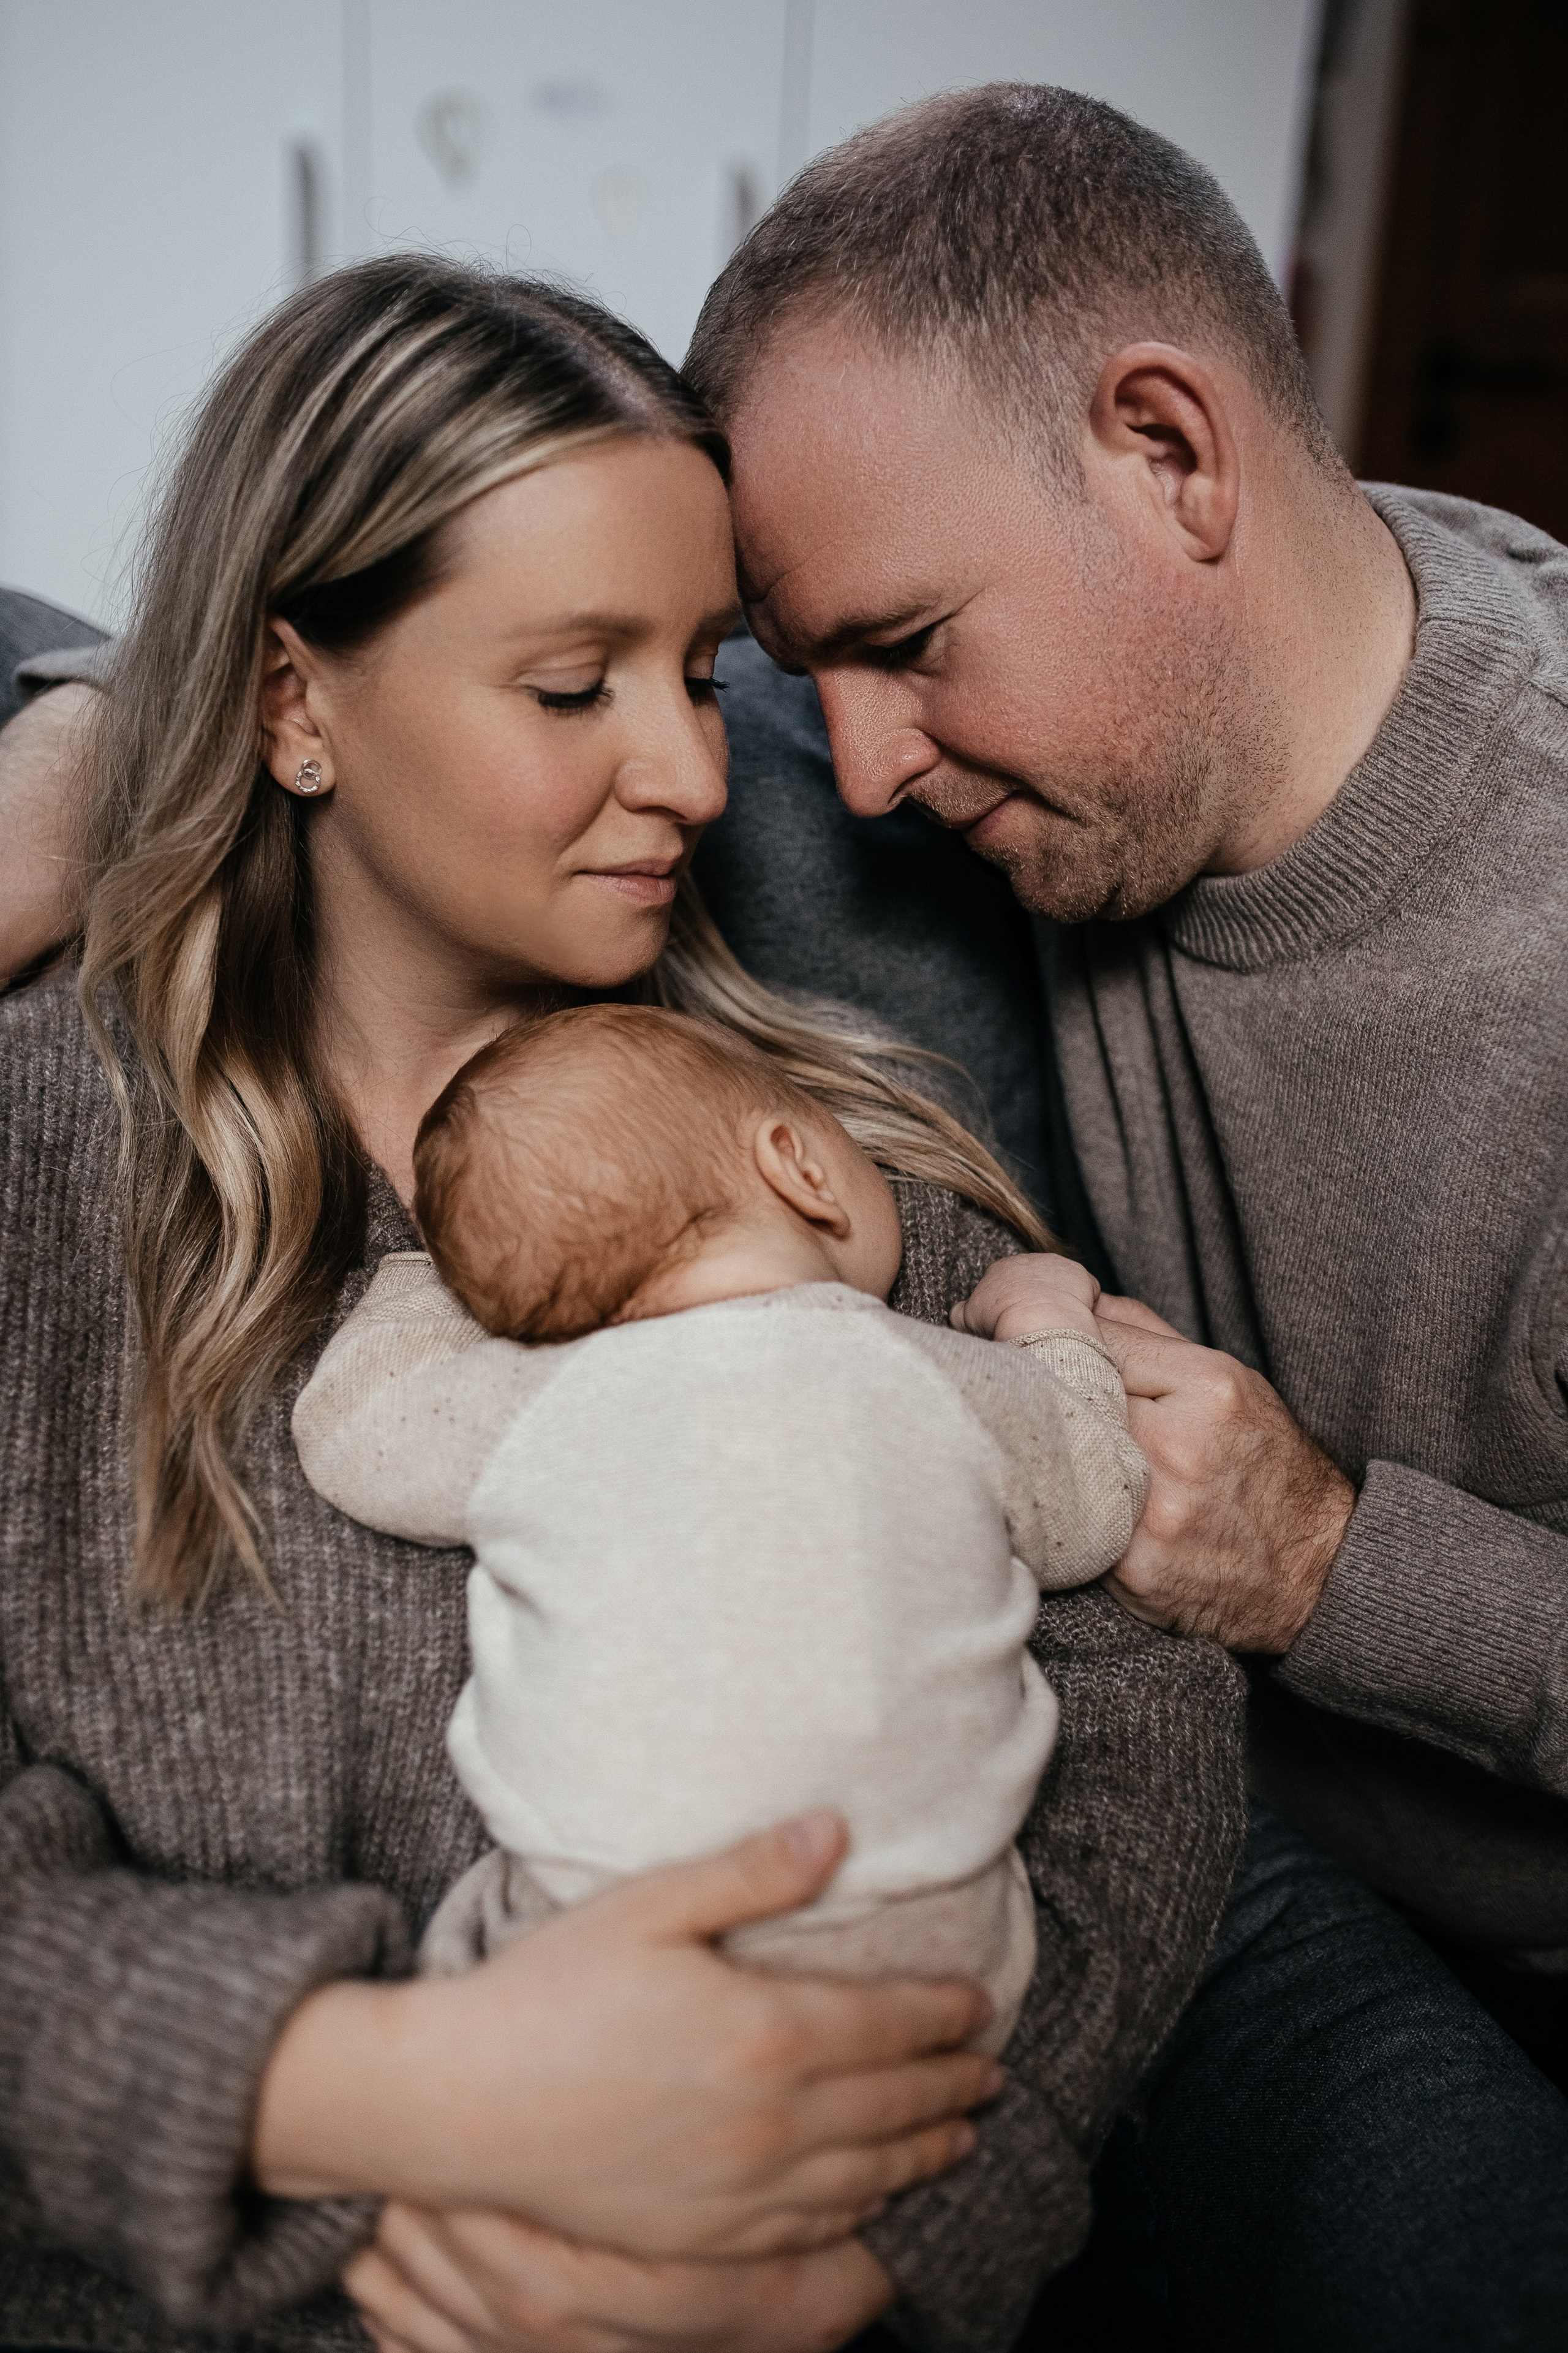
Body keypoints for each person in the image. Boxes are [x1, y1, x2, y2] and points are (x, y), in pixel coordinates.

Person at [0, 254, 1244, 2353]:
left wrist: (897, 2237)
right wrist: (349, 2094)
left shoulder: (814, 1161)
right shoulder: (45, 1165)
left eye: (703, 668)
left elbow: (1144, 1728)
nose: (690, 771)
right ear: (297, 702)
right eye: (575, 687)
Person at [678, 78, 1568, 2351]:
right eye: (814, 678)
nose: (859, 765)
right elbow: (437, 627)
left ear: (1171, 455)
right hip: (1178, 1855)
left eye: (906, 645)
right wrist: (97, 745)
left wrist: (1332, 1561)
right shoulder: (1009, 765)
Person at [290, 1002, 1145, 2052]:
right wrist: (1046, 1314)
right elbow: (1099, 1502)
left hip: (601, 1954)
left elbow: (352, 1428)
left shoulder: (539, 1402)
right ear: (799, 1164)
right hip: (929, 1953)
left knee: (475, 1971)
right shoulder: (944, 1378)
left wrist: (430, 1273)